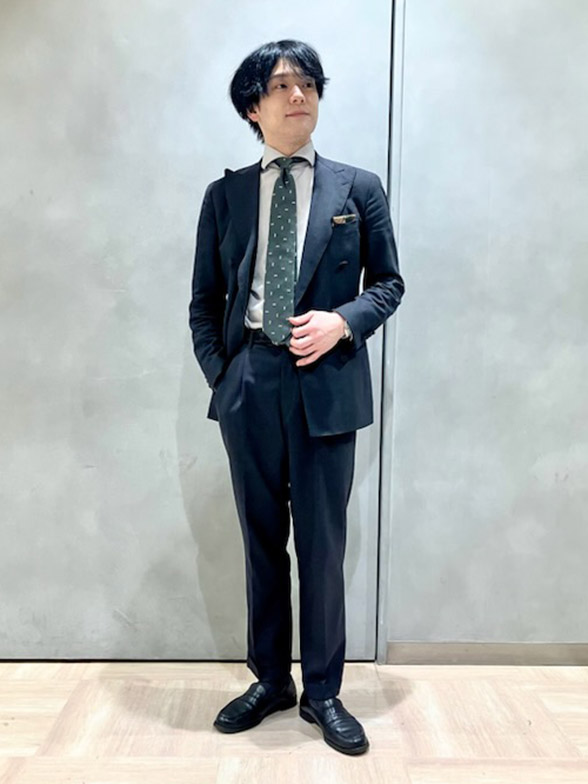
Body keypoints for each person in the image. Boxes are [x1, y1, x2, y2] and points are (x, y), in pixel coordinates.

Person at [188, 39, 404, 756]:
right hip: (251, 382)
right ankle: (271, 680)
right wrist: (226, 377)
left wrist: (343, 321)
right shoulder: (223, 197)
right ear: (252, 107)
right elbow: (203, 302)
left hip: (326, 384)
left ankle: (323, 691)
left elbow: (389, 283)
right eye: (280, 86)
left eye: (307, 83)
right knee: (260, 541)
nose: (298, 95)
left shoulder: (357, 188)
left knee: (322, 543)